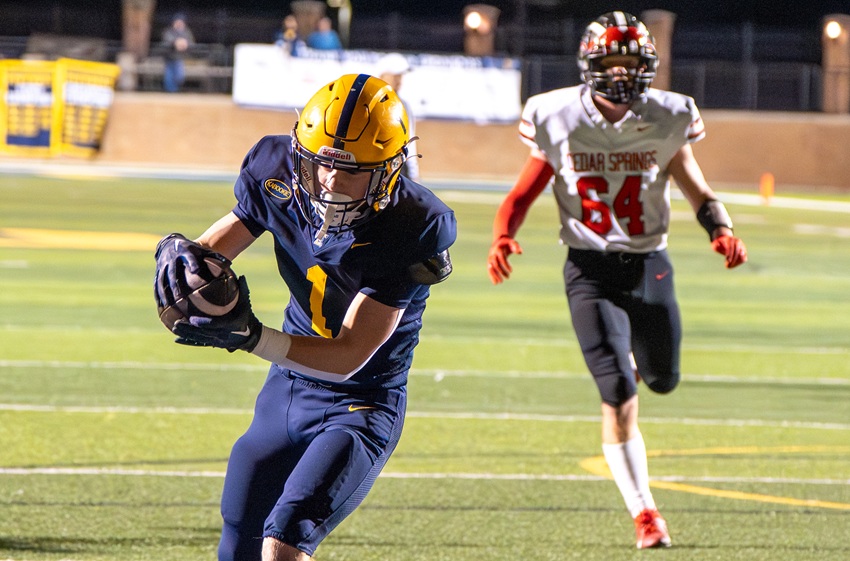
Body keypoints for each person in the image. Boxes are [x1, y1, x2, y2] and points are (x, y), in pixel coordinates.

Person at [154, 73, 456, 561]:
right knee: (239, 531)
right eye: (321, 163)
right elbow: (213, 249)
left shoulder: (415, 224)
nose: (331, 180)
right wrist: (178, 254)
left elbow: (350, 356)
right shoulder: (275, 170)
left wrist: (251, 337)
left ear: (390, 170)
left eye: (352, 170)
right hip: (288, 388)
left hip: (360, 401)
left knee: (286, 539)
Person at [486, 11, 747, 550]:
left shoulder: (668, 115)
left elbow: (697, 188)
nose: (623, 72)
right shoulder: (556, 115)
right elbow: (521, 193)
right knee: (619, 392)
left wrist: (720, 229)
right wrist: (503, 234)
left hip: (651, 265)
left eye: (632, 61)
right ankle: (645, 513)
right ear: (590, 64)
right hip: (589, 268)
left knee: (664, 380)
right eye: (612, 61)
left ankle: (633, 359)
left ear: (649, 65)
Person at [376, 52, 420, 183]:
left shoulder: (403, 105)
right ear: (382, 76)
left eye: (400, 76)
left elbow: (410, 140)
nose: (399, 80)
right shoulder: (369, 101)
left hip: (398, 166)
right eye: (395, 76)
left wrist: (414, 173)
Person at [161, 12, 194, 92]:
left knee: (179, 76)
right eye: (177, 22)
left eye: (181, 22)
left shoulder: (186, 32)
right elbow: (166, 41)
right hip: (169, 57)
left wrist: (185, 44)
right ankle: (171, 93)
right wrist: (175, 43)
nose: (179, 24)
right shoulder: (168, 31)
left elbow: (191, 43)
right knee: (169, 77)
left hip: (180, 58)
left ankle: (175, 90)